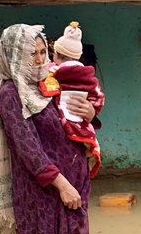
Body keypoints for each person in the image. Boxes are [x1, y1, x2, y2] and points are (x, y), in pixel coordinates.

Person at [0, 23, 98, 234]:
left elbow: (70, 118)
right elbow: (27, 146)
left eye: (43, 52)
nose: (40, 60)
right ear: (14, 56)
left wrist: (90, 114)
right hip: (43, 193)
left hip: (75, 183)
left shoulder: (49, 84)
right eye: (32, 54)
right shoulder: (12, 94)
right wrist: (61, 184)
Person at [40, 21, 104, 178]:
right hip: (80, 129)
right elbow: (98, 97)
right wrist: (93, 110)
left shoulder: (49, 74)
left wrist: (90, 113)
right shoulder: (88, 76)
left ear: (55, 55)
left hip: (59, 145)